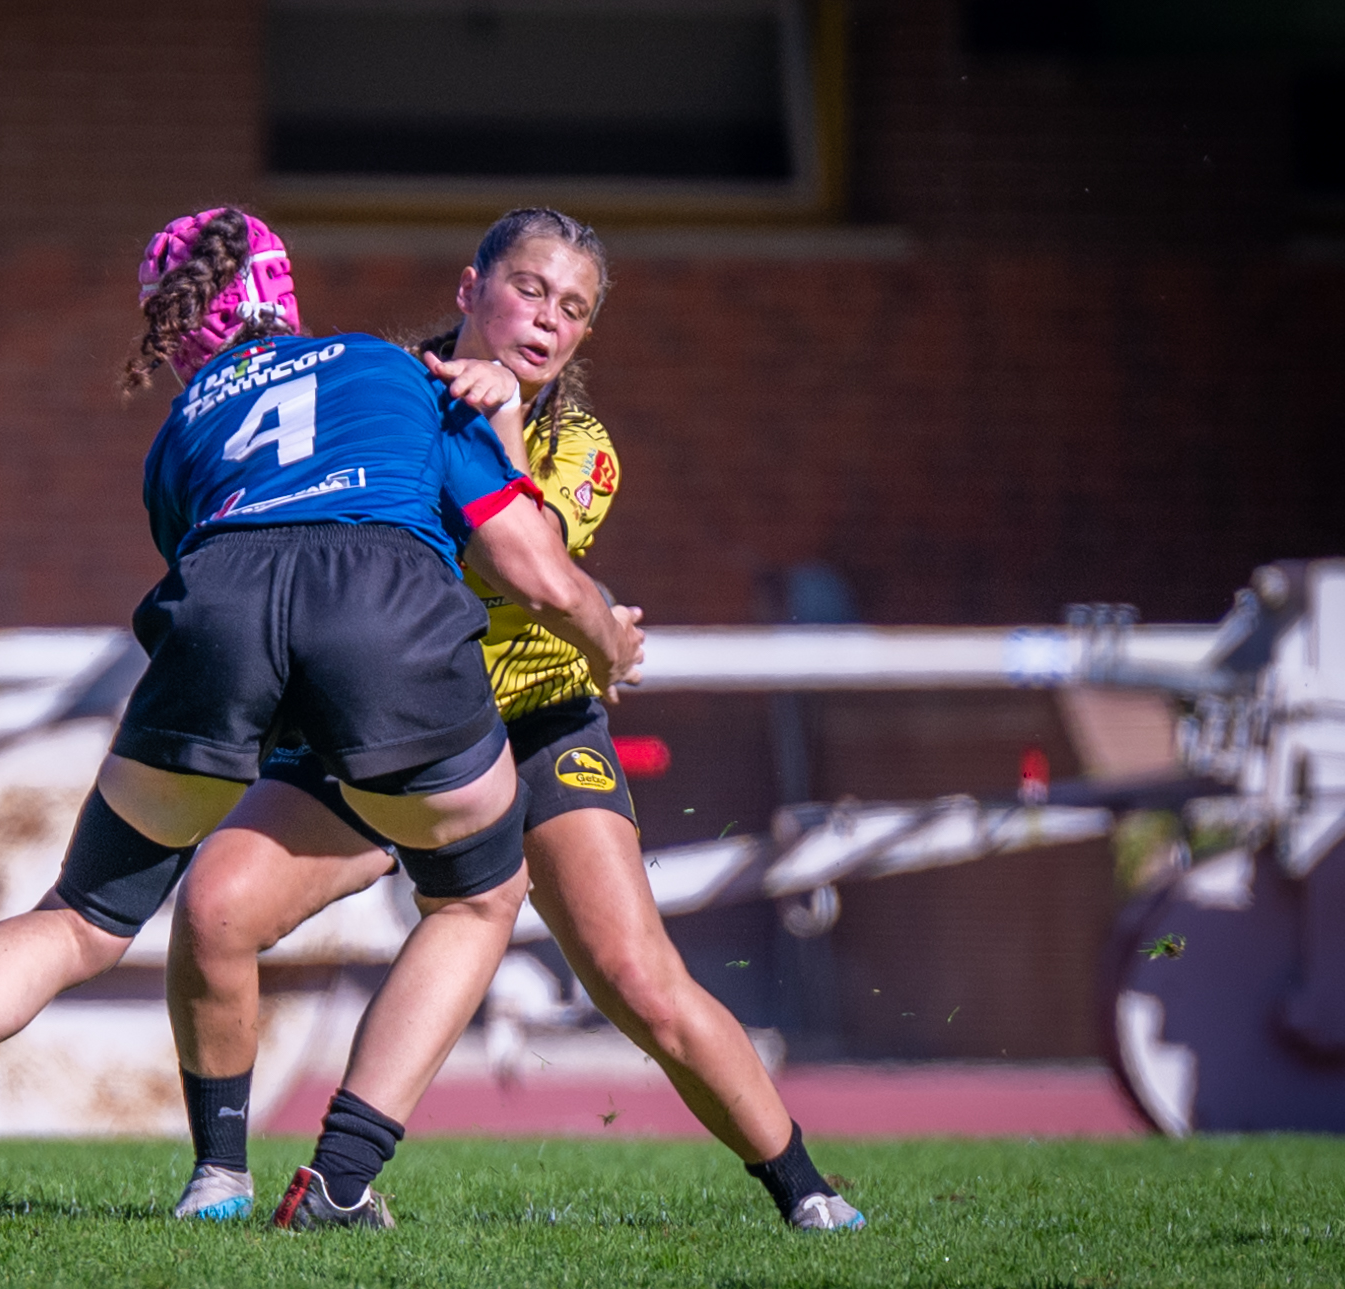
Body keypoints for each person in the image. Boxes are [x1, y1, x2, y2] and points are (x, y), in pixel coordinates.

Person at [0, 206, 644, 1219]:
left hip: (218, 617)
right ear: (285, 292)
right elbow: (529, 562)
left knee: (80, 916)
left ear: (177, 326)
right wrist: (605, 636)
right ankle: (339, 1178)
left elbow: (211, 560)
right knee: (479, 893)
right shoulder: (390, 368)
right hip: (380, 613)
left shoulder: (185, 425)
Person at [165, 208, 865, 1232]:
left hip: (535, 723)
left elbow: (527, 560)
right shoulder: (378, 389)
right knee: (214, 907)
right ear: (468, 288)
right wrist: (600, 621)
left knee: (638, 976)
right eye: (530, 288)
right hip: (379, 723)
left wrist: (497, 426)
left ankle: (806, 1188)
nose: (547, 319)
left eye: (573, 309)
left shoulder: (581, 446)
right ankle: (221, 1184)